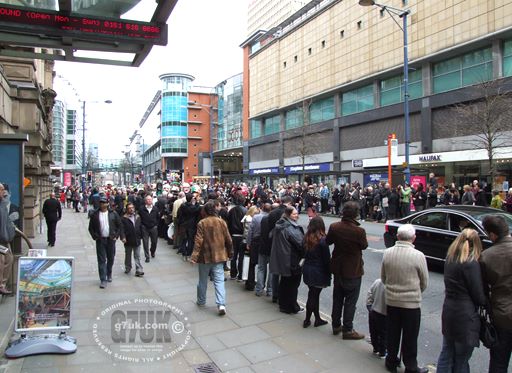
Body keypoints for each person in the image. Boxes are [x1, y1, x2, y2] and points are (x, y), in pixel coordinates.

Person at [436, 228, 487, 373]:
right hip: (465, 316)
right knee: (462, 359)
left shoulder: (450, 259)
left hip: (449, 310)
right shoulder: (471, 264)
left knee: (446, 353)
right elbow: (478, 295)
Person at [381, 224, 429, 373]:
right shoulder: (418, 256)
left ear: (397, 237)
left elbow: (383, 278)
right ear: (413, 238)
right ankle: (411, 366)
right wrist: (414, 292)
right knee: (410, 336)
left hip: (392, 301)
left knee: (393, 333)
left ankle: (391, 361)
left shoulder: (387, 253)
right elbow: (424, 282)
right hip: (411, 304)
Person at [327, 201, 368, 339]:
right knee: (350, 301)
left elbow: (328, 242)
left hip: (338, 267)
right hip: (353, 269)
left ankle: (336, 325)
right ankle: (348, 329)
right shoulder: (359, 231)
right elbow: (364, 246)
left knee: (337, 297)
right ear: (356, 214)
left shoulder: (334, 227)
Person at [480, 215, 512, 373]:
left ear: (492, 235)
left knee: (499, 362)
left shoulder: (487, 256)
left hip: (501, 315)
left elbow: (483, 289)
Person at [190, 201, 233, 315]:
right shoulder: (221, 222)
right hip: (219, 256)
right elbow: (228, 239)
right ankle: (221, 304)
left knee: (202, 280)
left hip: (205, 257)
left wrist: (194, 257)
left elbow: (198, 241)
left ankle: (201, 301)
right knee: (219, 281)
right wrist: (230, 253)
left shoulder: (202, 223)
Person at [270, 206, 305, 314]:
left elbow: (270, 236)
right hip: (292, 260)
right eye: (294, 214)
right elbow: (301, 244)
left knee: (285, 283)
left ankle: (283, 305)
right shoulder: (290, 228)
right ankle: (292, 307)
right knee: (293, 284)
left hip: (283, 259)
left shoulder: (280, 225)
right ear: (288, 215)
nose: (297, 215)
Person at [88, 196, 123, 289]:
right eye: (101, 203)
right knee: (101, 260)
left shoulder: (113, 214)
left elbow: (119, 225)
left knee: (111, 258)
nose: (102, 204)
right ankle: (103, 279)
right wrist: (95, 236)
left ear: (108, 204)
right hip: (100, 240)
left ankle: (109, 273)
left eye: (104, 203)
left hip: (111, 239)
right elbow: (90, 228)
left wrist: (116, 235)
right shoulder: (95, 214)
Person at [302, 216, 330, 328]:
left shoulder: (307, 237)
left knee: (313, 294)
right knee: (313, 295)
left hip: (308, 269)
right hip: (318, 271)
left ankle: (317, 318)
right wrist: (329, 272)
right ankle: (307, 320)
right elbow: (326, 259)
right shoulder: (322, 240)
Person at [120, 203, 144, 277]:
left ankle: (139, 269)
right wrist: (123, 237)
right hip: (128, 240)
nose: (131, 209)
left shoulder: (137, 217)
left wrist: (142, 235)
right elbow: (121, 229)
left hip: (137, 239)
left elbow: (140, 226)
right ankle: (128, 267)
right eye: (129, 208)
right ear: (127, 209)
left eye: (132, 208)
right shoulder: (123, 218)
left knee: (137, 255)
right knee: (128, 255)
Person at [253, 203, 272, 296]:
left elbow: (253, 231)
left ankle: (259, 289)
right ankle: (270, 290)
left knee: (261, 268)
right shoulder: (273, 220)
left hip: (262, 245)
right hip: (271, 247)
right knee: (271, 270)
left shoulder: (257, 217)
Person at [227, 195, 247, 281]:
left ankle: (233, 274)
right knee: (241, 256)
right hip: (241, 235)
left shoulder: (231, 210)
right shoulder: (245, 211)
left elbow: (229, 222)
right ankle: (240, 275)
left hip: (233, 235)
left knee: (233, 256)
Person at [0, 183, 15, 295]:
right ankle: (1, 285)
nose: (3, 192)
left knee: (9, 258)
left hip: (4, 239)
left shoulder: (2, 204)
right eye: (1, 190)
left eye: (3, 190)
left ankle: (2, 284)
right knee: (1, 261)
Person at [367, 278, 387, 358]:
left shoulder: (378, 281)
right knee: (384, 334)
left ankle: (375, 348)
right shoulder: (391, 286)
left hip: (374, 311)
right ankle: (382, 352)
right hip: (384, 314)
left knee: (373, 331)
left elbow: (370, 293)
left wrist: (369, 305)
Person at [243, 205, 261, 291]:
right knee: (253, 264)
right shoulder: (251, 219)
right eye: (256, 213)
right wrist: (248, 243)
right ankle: (251, 282)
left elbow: (248, 232)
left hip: (251, 242)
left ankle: (249, 282)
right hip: (254, 242)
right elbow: (249, 232)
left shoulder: (247, 218)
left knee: (251, 264)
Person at [139, 195, 159, 262]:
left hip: (153, 227)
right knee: (145, 242)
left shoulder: (155, 208)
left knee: (154, 242)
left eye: (150, 199)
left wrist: (156, 225)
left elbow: (158, 217)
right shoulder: (141, 208)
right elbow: (140, 218)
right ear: (145, 201)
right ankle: (147, 256)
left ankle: (152, 251)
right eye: (147, 199)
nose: (149, 201)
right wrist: (141, 225)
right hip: (145, 227)